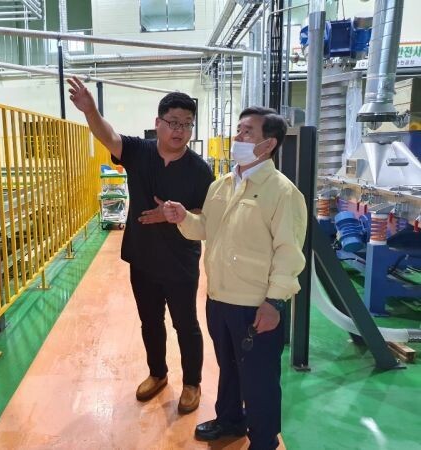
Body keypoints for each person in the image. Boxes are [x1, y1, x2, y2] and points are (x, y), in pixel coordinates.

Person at [67, 76, 214, 414]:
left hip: (180, 263)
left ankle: (192, 383)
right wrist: (90, 112)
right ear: (158, 123)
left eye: (186, 124)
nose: (179, 130)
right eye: (173, 122)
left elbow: (206, 216)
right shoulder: (138, 152)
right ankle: (158, 374)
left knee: (186, 325)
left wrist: (175, 215)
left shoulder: (199, 170)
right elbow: (109, 136)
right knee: (150, 322)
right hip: (143, 259)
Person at [163, 106, 307, 449]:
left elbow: (288, 253)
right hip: (219, 298)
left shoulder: (282, 192)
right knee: (228, 368)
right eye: (238, 130)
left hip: (256, 305)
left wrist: (274, 302)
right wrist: (183, 218)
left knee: (259, 378)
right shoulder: (223, 185)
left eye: (247, 132)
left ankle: (264, 440)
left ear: (268, 144)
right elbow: (205, 228)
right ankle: (230, 421)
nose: (237, 137)